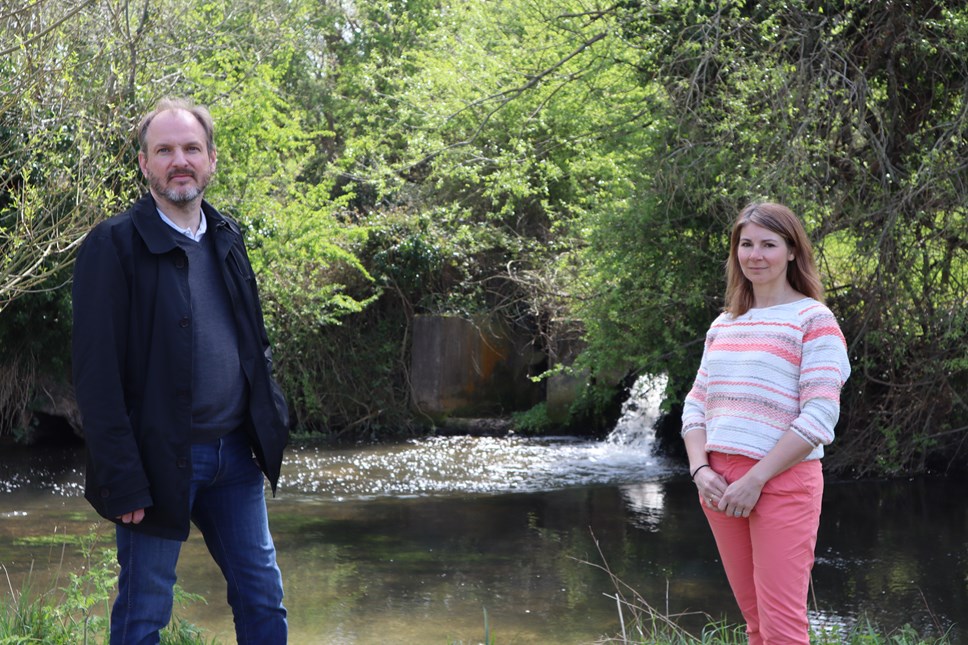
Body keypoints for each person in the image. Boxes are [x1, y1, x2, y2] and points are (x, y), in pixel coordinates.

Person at [72, 97, 290, 645]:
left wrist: (272, 421)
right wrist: (122, 479)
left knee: (263, 597)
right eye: (164, 150)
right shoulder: (113, 245)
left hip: (235, 457)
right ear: (144, 164)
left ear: (211, 159)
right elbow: (95, 379)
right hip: (156, 461)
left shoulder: (228, 236)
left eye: (191, 148)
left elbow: (253, 344)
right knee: (145, 612)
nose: (180, 160)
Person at [681, 202, 850, 645]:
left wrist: (756, 479)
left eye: (769, 244)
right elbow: (695, 405)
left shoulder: (814, 321)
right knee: (756, 624)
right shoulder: (724, 324)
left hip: (780, 481)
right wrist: (700, 471)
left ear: (793, 251)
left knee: (783, 628)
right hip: (719, 485)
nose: (755, 255)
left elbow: (819, 416)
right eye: (746, 244)